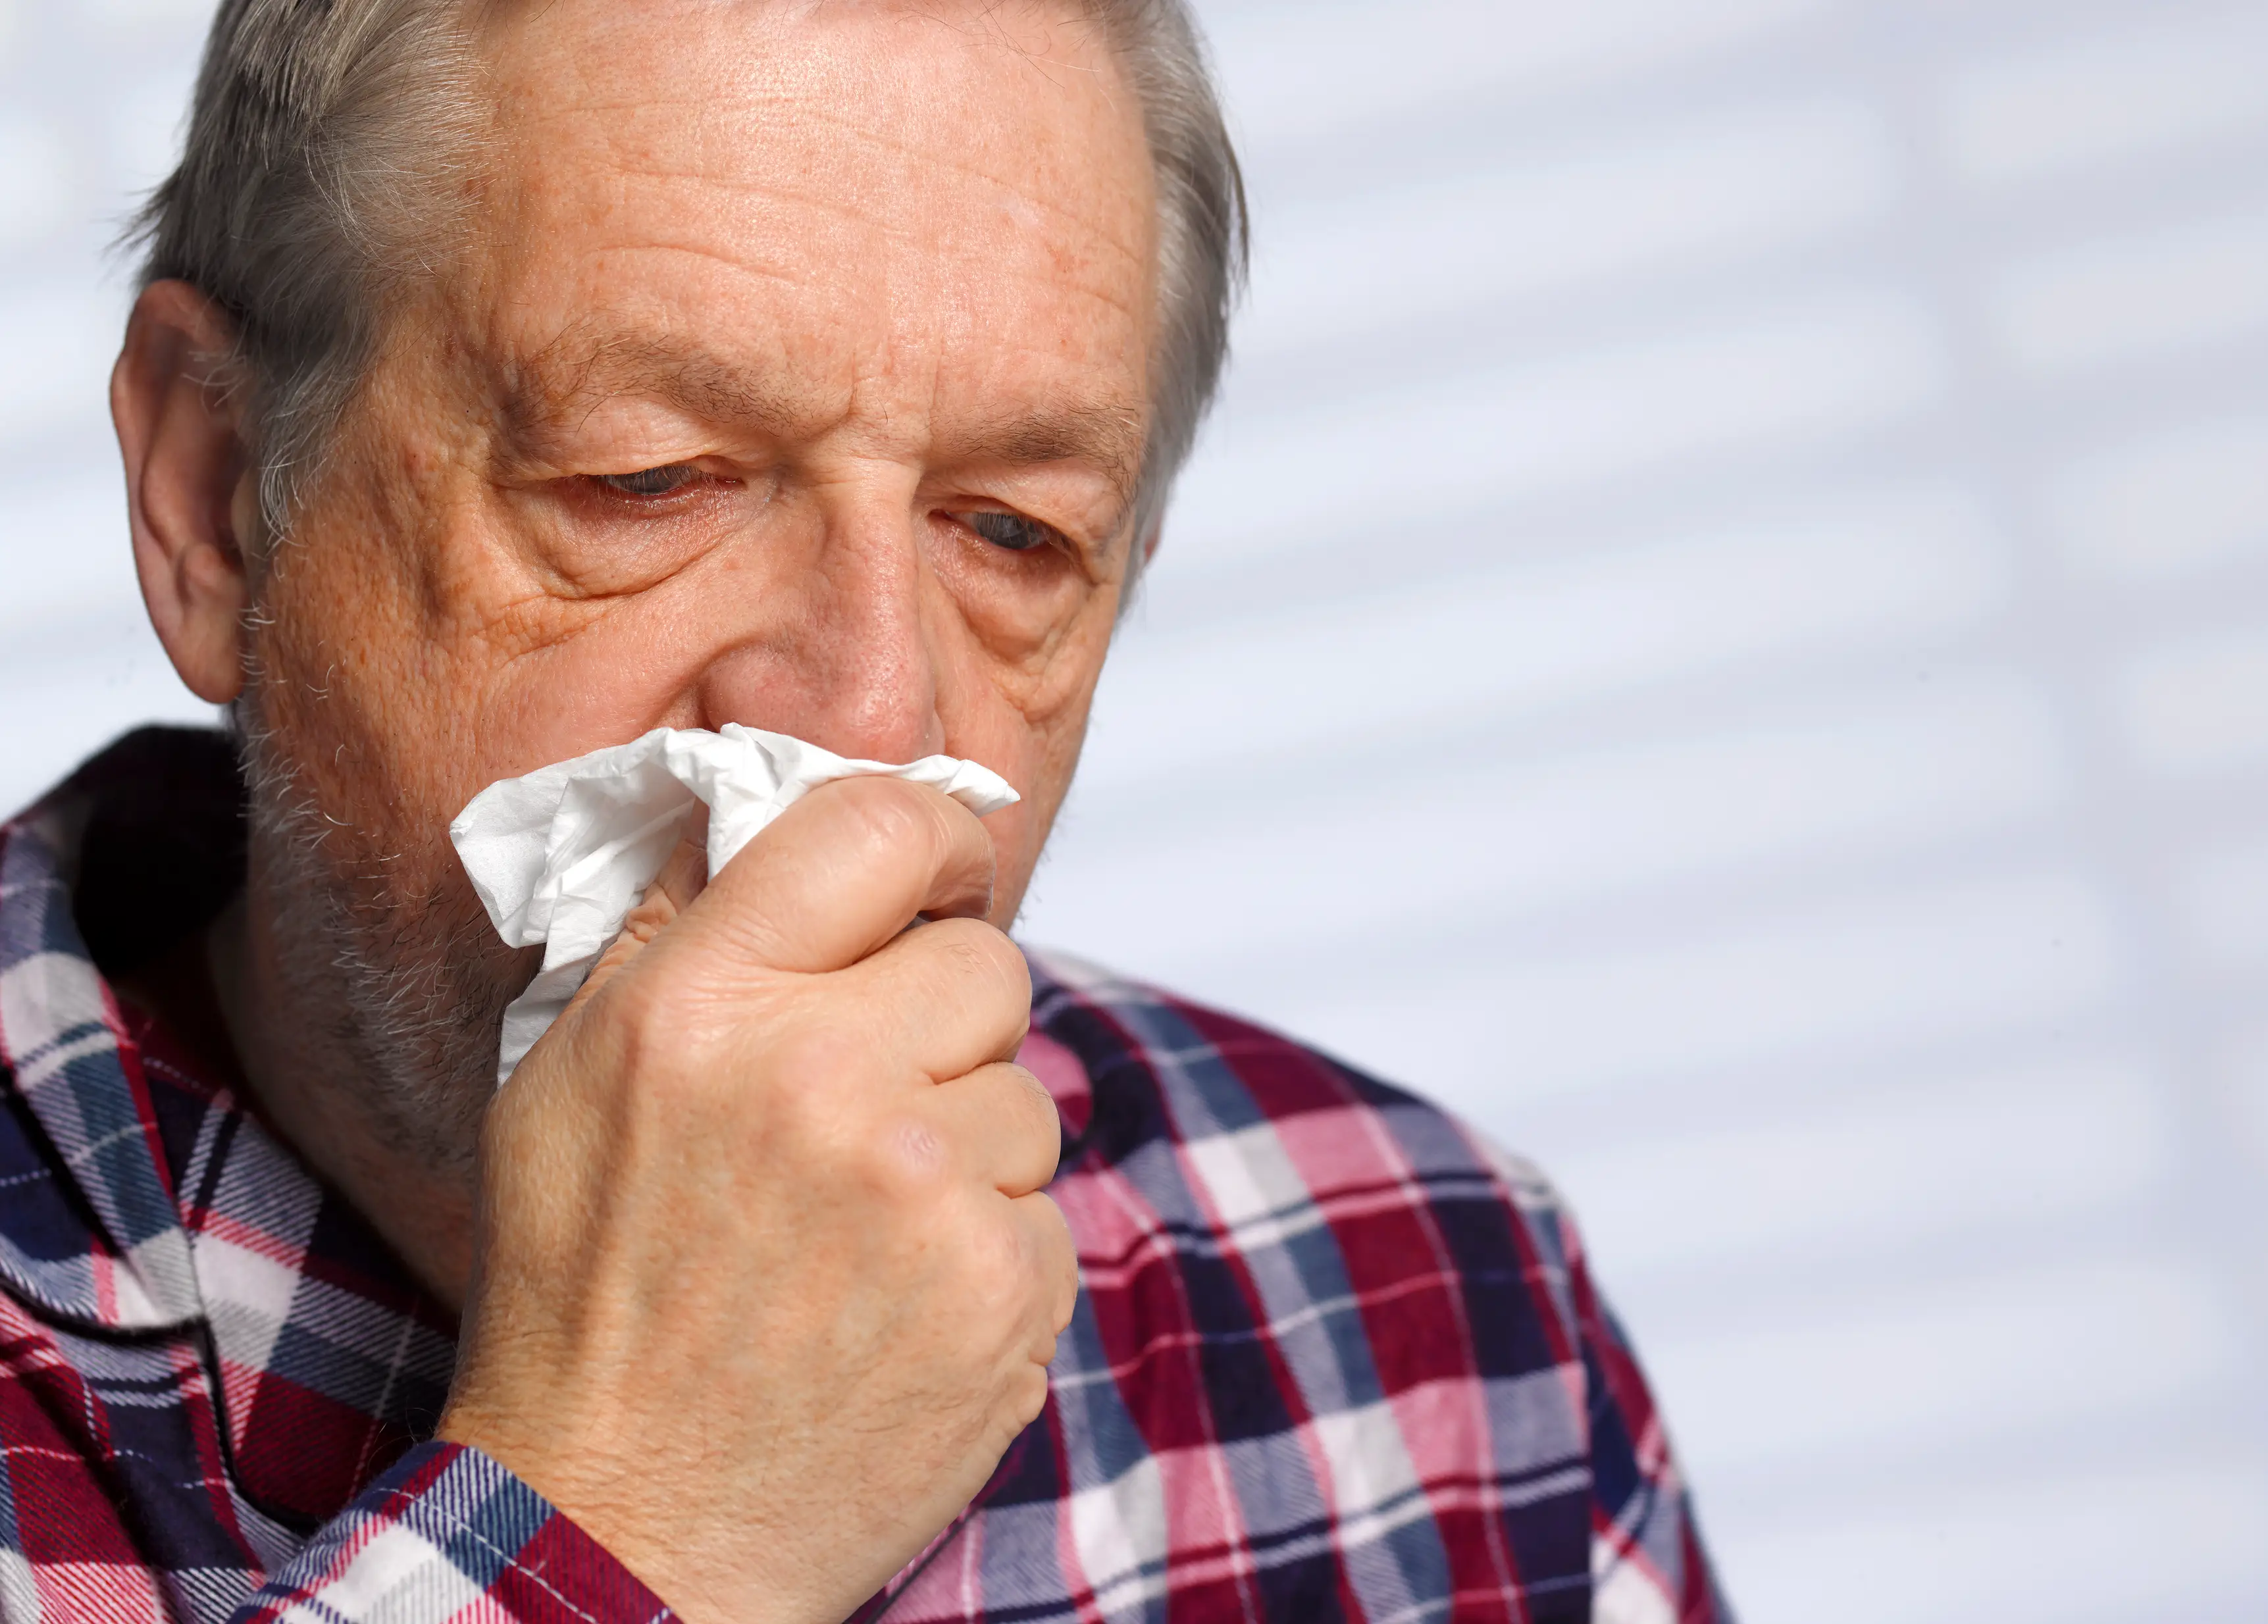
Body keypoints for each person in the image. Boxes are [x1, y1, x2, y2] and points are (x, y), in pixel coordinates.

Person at [0, 2, 1727, 1619]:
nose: (869, 716)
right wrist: (633, 1513)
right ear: (216, 499)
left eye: (1011, 533)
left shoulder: (1448, 1319)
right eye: (646, 480)